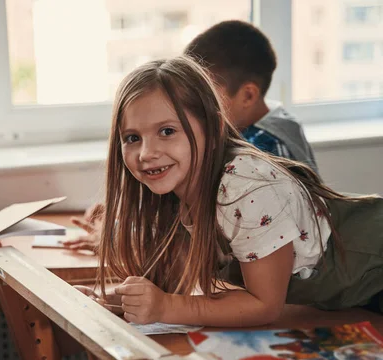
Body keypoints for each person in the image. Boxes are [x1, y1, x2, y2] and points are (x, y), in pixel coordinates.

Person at [77, 56, 383, 328]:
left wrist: (166, 307)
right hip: (356, 292)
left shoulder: (245, 187)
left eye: (167, 131)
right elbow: (169, 285)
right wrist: (102, 298)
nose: (146, 153)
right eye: (132, 137)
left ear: (211, 129)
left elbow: (264, 305)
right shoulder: (173, 189)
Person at [65, 20, 320, 253]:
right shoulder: (212, 140)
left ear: (248, 95)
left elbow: (221, 228)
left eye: (206, 92)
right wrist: (120, 218)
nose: (195, 101)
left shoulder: (261, 154)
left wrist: (122, 235)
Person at [184, 20, 318, 174]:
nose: (195, 106)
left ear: (248, 96)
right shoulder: (270, 117)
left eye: (207, 96)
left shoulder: (264, 149)